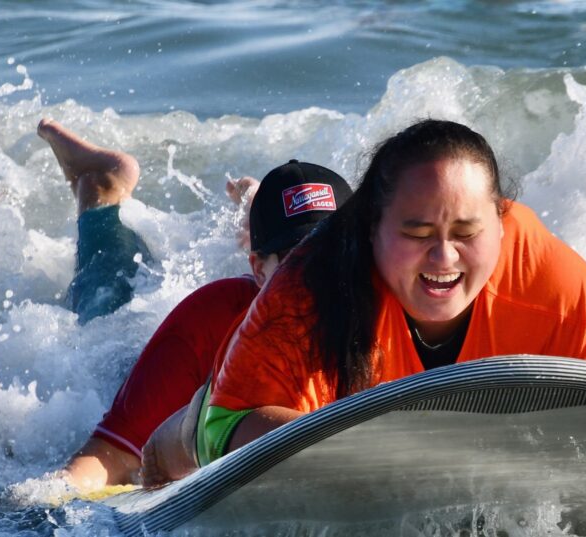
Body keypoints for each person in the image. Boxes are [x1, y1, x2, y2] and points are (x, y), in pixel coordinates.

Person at [141, 119, 586, 486]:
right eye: (417, 232)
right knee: (168, 447)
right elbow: (227, 425)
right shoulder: (310, 285)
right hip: (229, 420)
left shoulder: (551, 279)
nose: (443, 256)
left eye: (467, 231)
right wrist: (390, 465)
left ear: (500, 224)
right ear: (371, 229)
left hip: (406, 431)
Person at [36, 119, 353, 491]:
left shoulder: (383, 298)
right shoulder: (210, 322)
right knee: (106, 295)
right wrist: (44, 502)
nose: (320, 280)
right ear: (260, 271)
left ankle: (256, 207)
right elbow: (113, 458)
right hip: (150, 378)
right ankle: (100, 187)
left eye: (335, 254)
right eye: (296, 262)